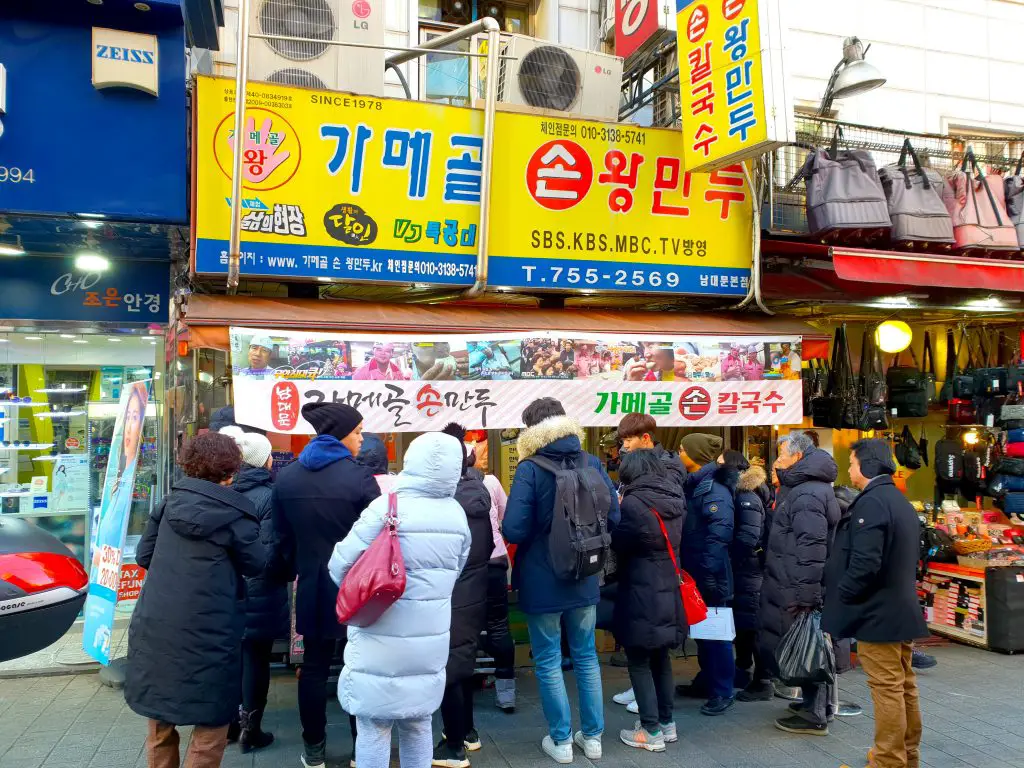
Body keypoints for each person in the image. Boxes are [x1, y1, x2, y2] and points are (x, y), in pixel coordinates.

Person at [328, 432, 472, 768]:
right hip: (429, 640)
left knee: (374, 726)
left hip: (378, 633)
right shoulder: (456, 514)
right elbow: (456, 572)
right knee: (419, 723)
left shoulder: (385, 506)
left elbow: (339, 566)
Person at [125, 433, 267, 768]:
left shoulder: (169, 503)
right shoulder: (236, 514)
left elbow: (143, 555)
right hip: (212, 629)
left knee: (160, 720)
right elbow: (257, 563)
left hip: (159, 622)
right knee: (210, 726)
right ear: (231, 470)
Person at [503, 397, 620, 764]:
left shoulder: (530, 468)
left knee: (549, 659)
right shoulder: (591, 461)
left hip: (543, 578)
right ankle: (595, 738)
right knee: (587, 657)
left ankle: (561, 741)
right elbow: (613, 516)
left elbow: (514, 528)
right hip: (586, 573)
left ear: (531, 429)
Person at [272, 403, 381, 768]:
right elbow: (381, 537)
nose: (362, 439)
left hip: (312, 586)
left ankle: (313, 750)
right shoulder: (360, 478)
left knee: (314, 669)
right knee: (358, 667)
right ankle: (360, 749)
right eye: (358, 432)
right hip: (357, 588)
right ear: (340, 435)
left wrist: (293, 569)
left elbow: (281, 538)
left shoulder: (287, 478)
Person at [822, 440, 928, 768]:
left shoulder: (874, 502)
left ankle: (887, 761)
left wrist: (844, 594)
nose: (850, 470)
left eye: (852, 464)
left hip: (877, 613)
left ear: (867, 466)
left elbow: (865, 563)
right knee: (903, 685)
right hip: (897, 608)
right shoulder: (897, 499)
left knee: (887, 688)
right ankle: (905, 755)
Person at [761, 431, 840, 736]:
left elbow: (812, 547)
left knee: (809, 644)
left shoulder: (806, 493)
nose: (776, 462)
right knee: (808, 643)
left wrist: (807, 595)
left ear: (796, 457)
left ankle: (815, 712)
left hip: (798, 584)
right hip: (792, 580)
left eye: (780, 456)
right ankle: (814, 705)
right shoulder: (806, 488)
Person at [612, 449, 686, 753]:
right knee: (661, 657)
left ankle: (650, 730)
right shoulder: (675, 499)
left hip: (641, 589)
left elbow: (620, 543)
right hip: (669, 585)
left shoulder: (633, 503)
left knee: (639, 659)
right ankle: (666, 724)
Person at [219, 427, 288, 753]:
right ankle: (251, 729)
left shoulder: (222, 492)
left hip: (228, 588)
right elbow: (271, 550)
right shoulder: (270, 497)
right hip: (261, 588)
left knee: (233, 657)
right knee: (257, 660)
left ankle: (230, 724)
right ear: (265, 462)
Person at [434, 424, 493, 768]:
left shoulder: (448, 502)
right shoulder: (477, 492)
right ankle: (467, 732)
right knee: (461, 663)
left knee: (450, 669)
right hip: (473, 591)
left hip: (451, 593)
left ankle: (454, 745)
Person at [675, 433, 736, 716]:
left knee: (716, 633)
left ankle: (723, 689)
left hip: (710, 573)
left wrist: (709, 570)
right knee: (702, 631)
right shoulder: (695, 484)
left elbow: (720, 531)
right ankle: (706, 680)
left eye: (682, 449)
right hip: (697, 570)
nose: (679, 452)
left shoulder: (713, 488)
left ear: (695, 454)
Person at [467, 434, 517, 713]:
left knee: (463, 625)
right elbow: (505, 518)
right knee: (499, 624)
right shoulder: (492, 483)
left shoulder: (448, 486)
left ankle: (462, 684)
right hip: (495, 560)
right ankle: (506, 688)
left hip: (464, 566)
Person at [616, 413, 687, 493]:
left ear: (645, 438)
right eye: (623, 441)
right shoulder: (633, 460)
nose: (625, 445)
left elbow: (661, 496)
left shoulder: (669, 465)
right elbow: (622, 486)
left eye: (629, 440)